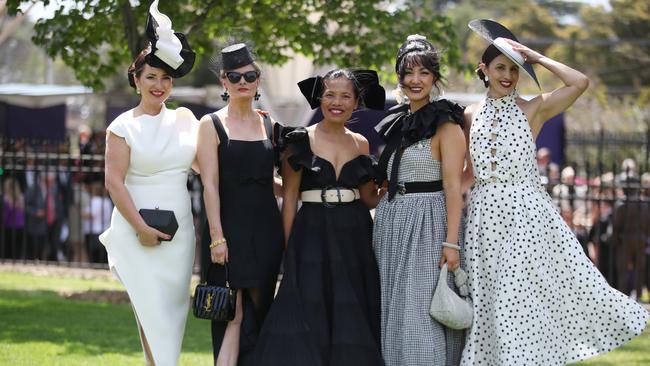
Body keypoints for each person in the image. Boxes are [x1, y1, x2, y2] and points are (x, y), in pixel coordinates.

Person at [461, 19, 649, 365]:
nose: (508, 76)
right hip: (483, 220)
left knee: (516, 299)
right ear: (483, 69)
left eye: (515, 70)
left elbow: (580, 82)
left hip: (526, 217)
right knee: (489, 303)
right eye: (501, 67)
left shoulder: (533, 108)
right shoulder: (469, 114)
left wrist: (536, 57)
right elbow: (466, 175)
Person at [253, 68, 385, 365]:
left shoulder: (361, 143)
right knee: (309, 311)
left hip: (354, 237)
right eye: (329, 95)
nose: (336, 102)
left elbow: (369, 198)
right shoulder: (299, 141)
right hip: (310, 235)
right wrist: (290, 248)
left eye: (345, 96)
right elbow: (289, 199)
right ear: (319, 98)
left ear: (356, 101)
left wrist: (395, 186)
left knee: (351, 311)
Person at [99, 1, 197, 364]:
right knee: (151, 315)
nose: (159, 85)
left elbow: (211, 167)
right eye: (151, 77)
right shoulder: (122, 126)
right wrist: (140, 228)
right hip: (135, 233)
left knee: (170, 321)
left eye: (166, 78)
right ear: (136, 79)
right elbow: (113, 182)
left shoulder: (187, 120)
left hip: (179, 235)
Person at [372, 34, 466, 366]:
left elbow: (454, 186)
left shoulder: (446, 124)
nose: (415, 80)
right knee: (396, 309)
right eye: (408, 73)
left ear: (434, 77)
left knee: (421, 311)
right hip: (392, 225)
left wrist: (451, 243)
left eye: (423, 73)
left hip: (427, 224)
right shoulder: (399, 122)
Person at [196, 42, 284, 366]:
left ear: (258, 80)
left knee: (260, 308)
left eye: (250, 75)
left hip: (266, 231)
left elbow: (267, 181)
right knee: (232, 311)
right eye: (234, 76)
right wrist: (217, 238)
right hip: (228, 229)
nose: (243, 81)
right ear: (224, 82)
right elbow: (210, 185)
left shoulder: (269, 124)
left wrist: (300, 193)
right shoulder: (211, 124)